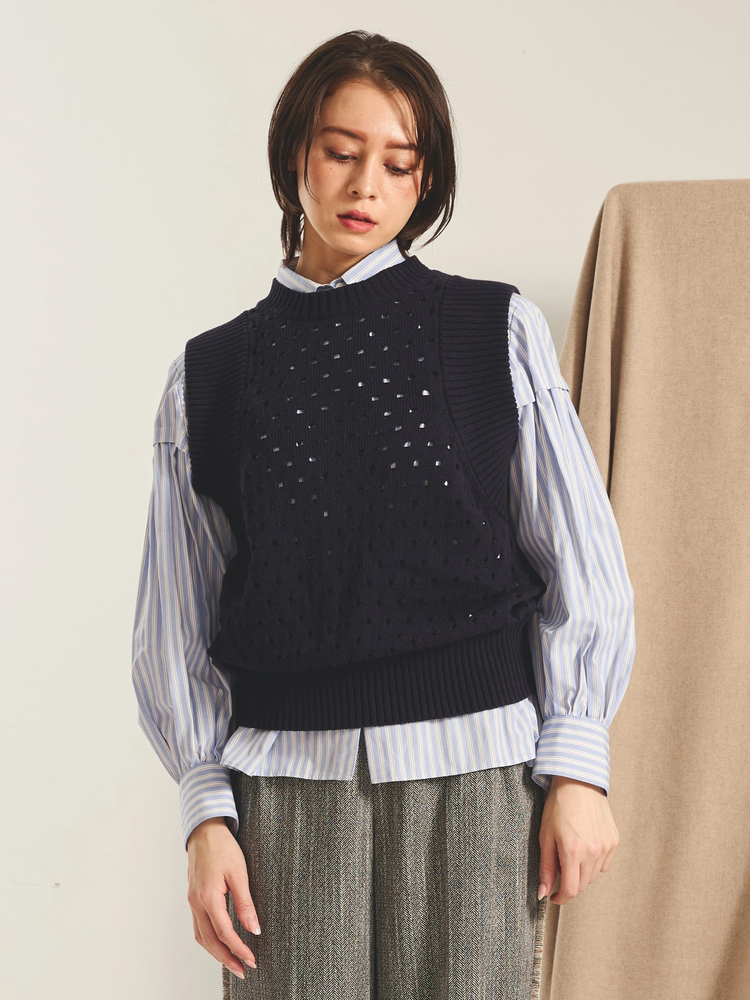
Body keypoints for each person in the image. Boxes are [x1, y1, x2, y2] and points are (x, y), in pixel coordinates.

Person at [132, 28, 635, 999]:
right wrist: (204, 814)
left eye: (400, 164)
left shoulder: (494, 332)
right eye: (341, 151)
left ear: (424, 181)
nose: (367, 184)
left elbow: (582, 558)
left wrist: (580, 765)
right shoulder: (209, 377)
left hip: (481, 775)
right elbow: (176, 619)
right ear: (295, 154)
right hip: (285, 789)